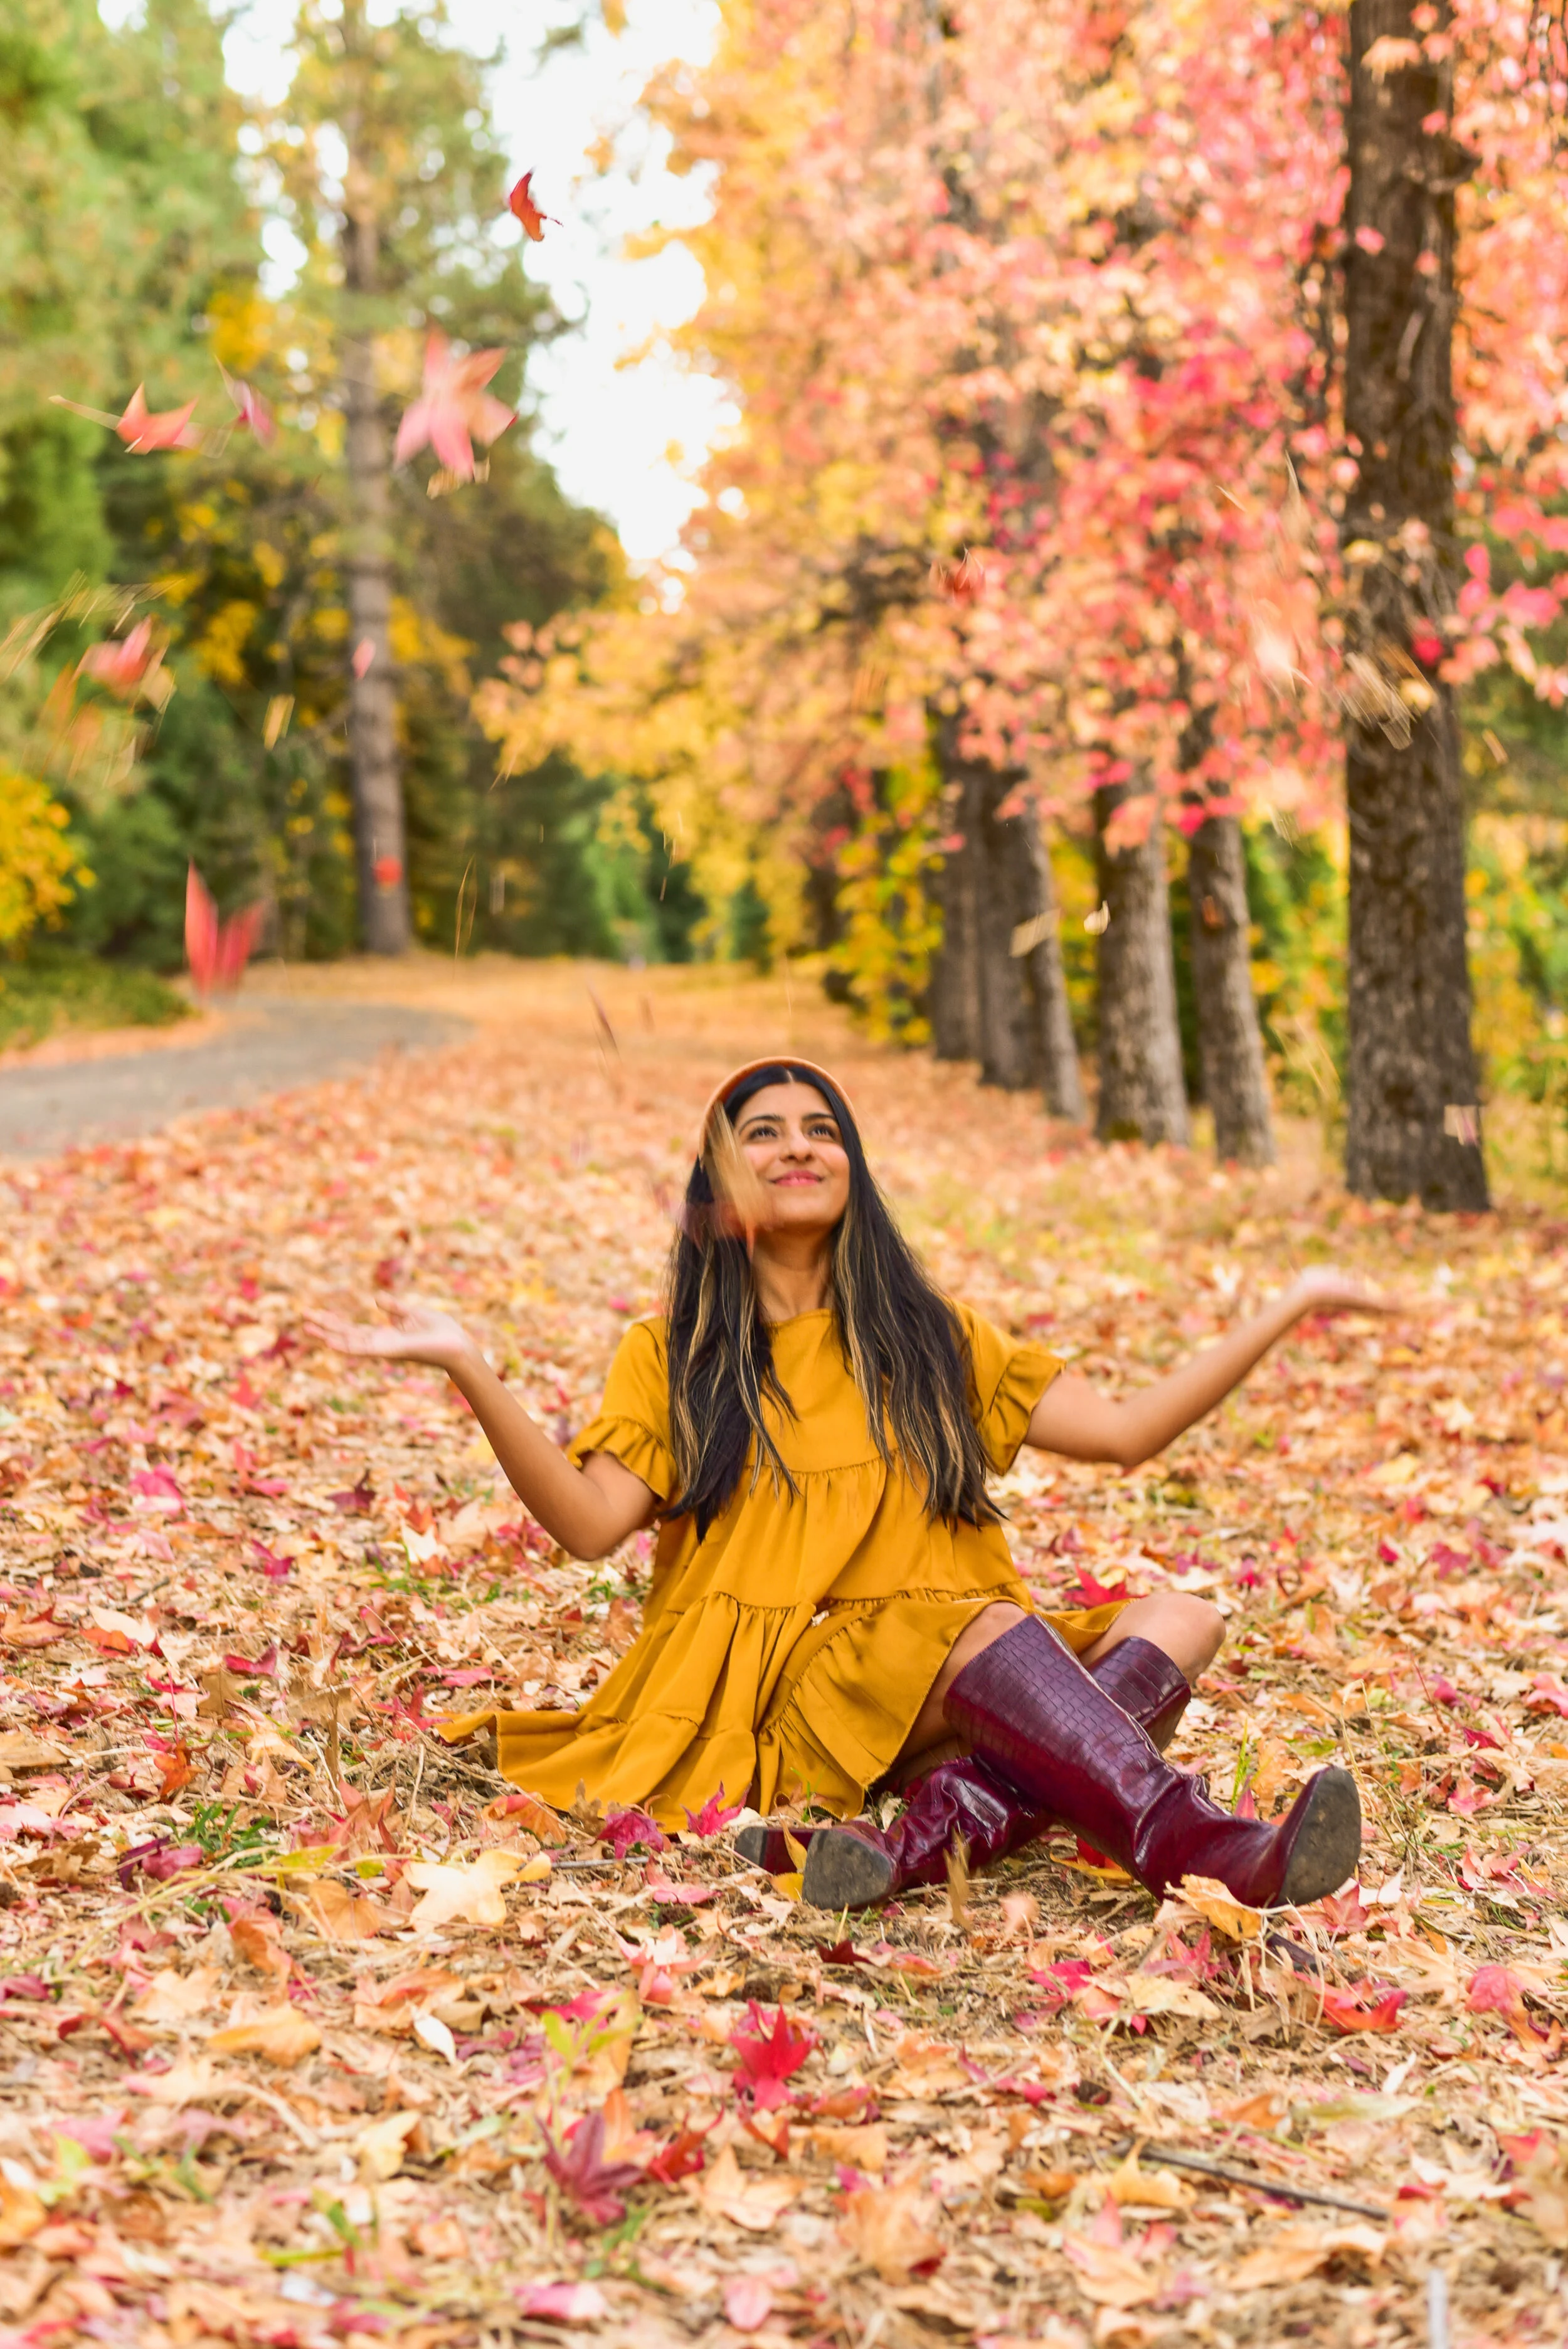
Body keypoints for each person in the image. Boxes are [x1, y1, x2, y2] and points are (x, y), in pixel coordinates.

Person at [309, 1056, 1379, 1915]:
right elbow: (590, 1527)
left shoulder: (930, 1336)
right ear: (718, 1183)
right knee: (974, 1628)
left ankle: (924, 1833)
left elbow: (1128, 1434)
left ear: (853, 1168)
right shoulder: (677, 1352)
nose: (797, 1146)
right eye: (761, 1132)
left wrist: (1289, 1304)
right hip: (804, 1681)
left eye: (820, 1128)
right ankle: (1202, 1847)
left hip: (952, 1667)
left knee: (1182, 1615)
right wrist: (468, 1366)